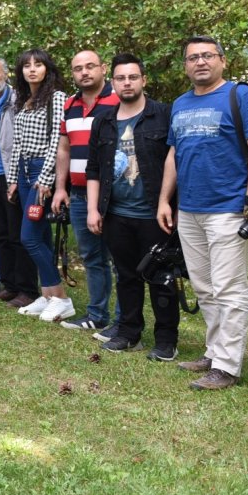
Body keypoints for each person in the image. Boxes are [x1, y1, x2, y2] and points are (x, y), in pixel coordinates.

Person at [157, 36, 248, 391]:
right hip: (190, 209)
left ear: (223, 60)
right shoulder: (180, 103)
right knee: (205, 287)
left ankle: (227, 366)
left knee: (228, 288)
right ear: (185, 66)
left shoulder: (242, 96)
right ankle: (214, 351)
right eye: (193, 57)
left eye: (207, 55)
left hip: (229, 208)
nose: (200, 62)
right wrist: (164, 200)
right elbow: (174, 155)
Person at [85, 54, 179, 360]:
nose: (127, 83)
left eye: (133, 77)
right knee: (125, 276)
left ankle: (166, 340)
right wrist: (93, 209)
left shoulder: (163, 115)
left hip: (155, 214)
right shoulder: (104, 121)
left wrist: (172, 204)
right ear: (113, 82)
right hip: (116, 214)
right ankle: (129, 333)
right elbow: (94, 169)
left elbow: (176, 161)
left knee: (161, 277)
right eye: (121, 78)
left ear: (143, 80)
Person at [51, 50, 120, 334]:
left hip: (115, 194)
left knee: (120, 260)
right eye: (78, 68)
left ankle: (123, 322)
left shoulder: (119, 99)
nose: (84, 72)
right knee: (92, 257)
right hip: (79, 194)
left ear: (103, 68)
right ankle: (97, 314)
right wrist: (60, 188)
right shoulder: (70, 104)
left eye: (90, 66)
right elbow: (64, 148)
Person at [7, 48, 74, 323]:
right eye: (27, 65)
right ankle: (47, 296)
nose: (32, 69)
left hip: (40, 172)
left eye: (38, 64)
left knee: (30, 238)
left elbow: (57, 141)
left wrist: (45, 179)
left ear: (48, 68)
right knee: (41, 235)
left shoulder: (57, 98)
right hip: (24, 172)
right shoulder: (24, 100)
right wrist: (13, 178)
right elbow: (17, 143)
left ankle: (61, 298)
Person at [0, 57, 39, 306]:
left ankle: (27, 290)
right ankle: (9, 285)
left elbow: (23, 143)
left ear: (5, 74)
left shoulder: (19, 101)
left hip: (12, 177)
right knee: (1, 235)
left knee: (18, 235)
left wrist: (15, 178)